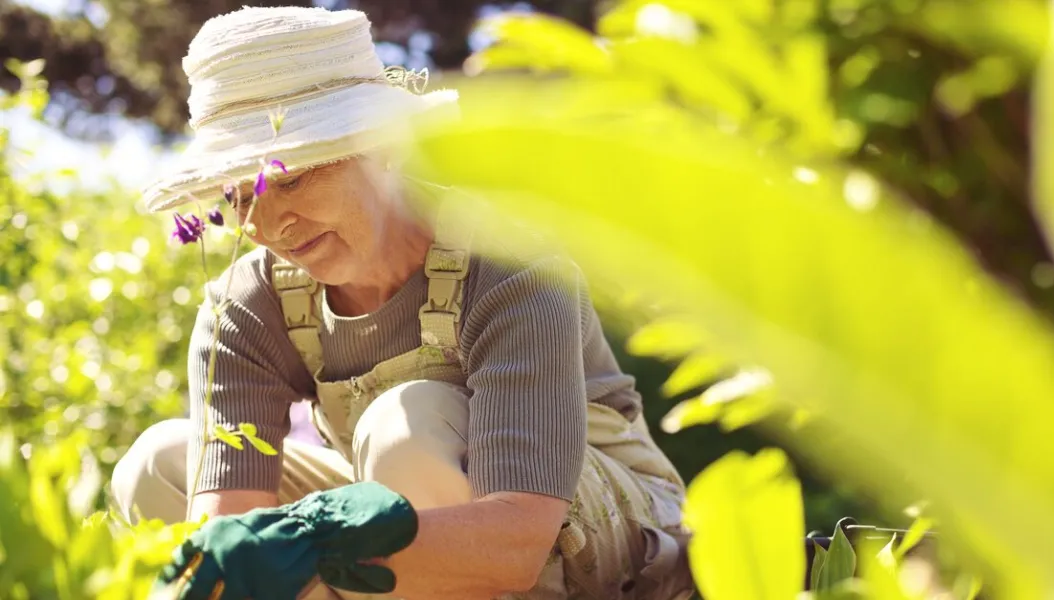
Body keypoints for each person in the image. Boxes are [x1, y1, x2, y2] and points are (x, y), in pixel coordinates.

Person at [108, 5, 695, 600]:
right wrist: (246, 559)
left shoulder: (509, 263)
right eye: (239, 196)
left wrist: (312, 542)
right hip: (406, 538)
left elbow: (515, 543)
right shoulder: (246, 308)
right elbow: (227, 528)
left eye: (290, 180)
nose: (270, 223)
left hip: (588, 536)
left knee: (405, 426)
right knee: (159, 463)